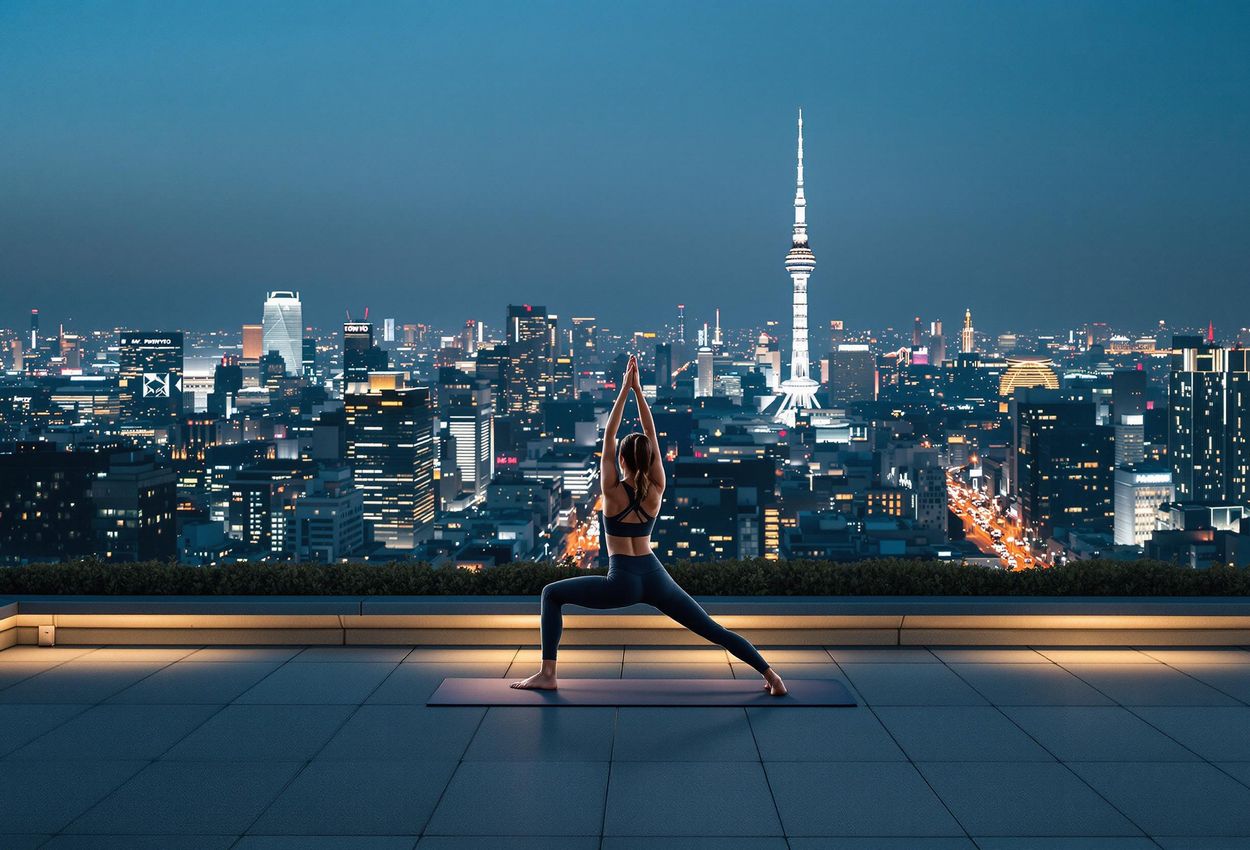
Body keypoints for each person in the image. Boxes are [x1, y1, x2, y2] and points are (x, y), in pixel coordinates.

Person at [511, 354, 788, 696]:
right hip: (655, 576)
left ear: (622, 461)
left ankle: (548, 673)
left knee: (551, 594)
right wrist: (640, 392)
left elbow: (610, 434)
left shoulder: (611, 491)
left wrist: (625, 391)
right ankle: (772, 676)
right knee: (712, 629)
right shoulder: (656, 488)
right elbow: (651, 434)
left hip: (621, 580)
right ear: (649, 460)